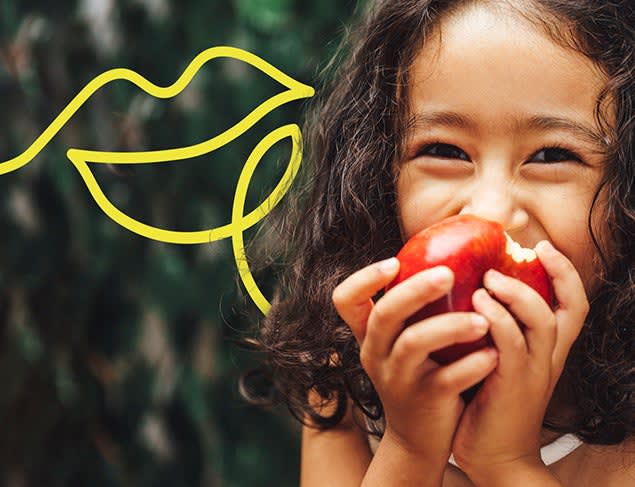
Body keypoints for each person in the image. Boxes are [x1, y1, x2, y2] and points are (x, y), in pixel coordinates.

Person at [240, 0, 635, 485]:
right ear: (380, 178)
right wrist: (408, 446)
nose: (489, 212)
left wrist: (506, 464)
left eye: (552, 155)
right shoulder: (344, 375)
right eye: (444, 150)